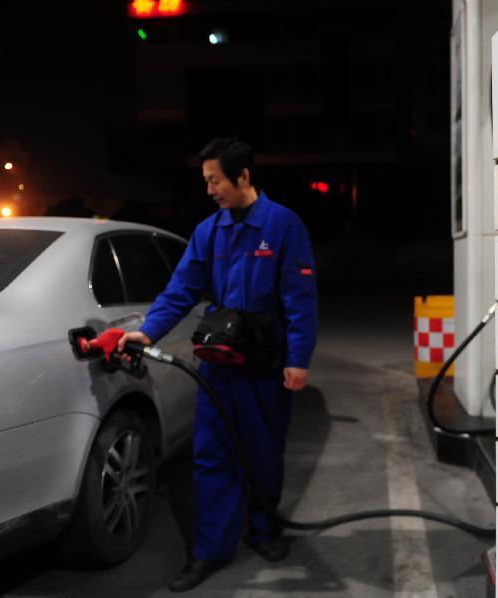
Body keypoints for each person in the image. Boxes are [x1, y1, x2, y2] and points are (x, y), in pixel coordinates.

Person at [117, 137, 317, 592]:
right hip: (220, 365)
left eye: (215, 180)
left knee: (264, 453)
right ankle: (211, 550)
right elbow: (181, 288)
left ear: (242, 177)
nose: (209, 190)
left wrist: (298, 359)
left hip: (266, 364)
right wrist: (149, 331)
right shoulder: (210, 231)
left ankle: (264, 531)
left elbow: (300, 299)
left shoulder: (284, 226)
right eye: (205, 181)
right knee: (211, 456)